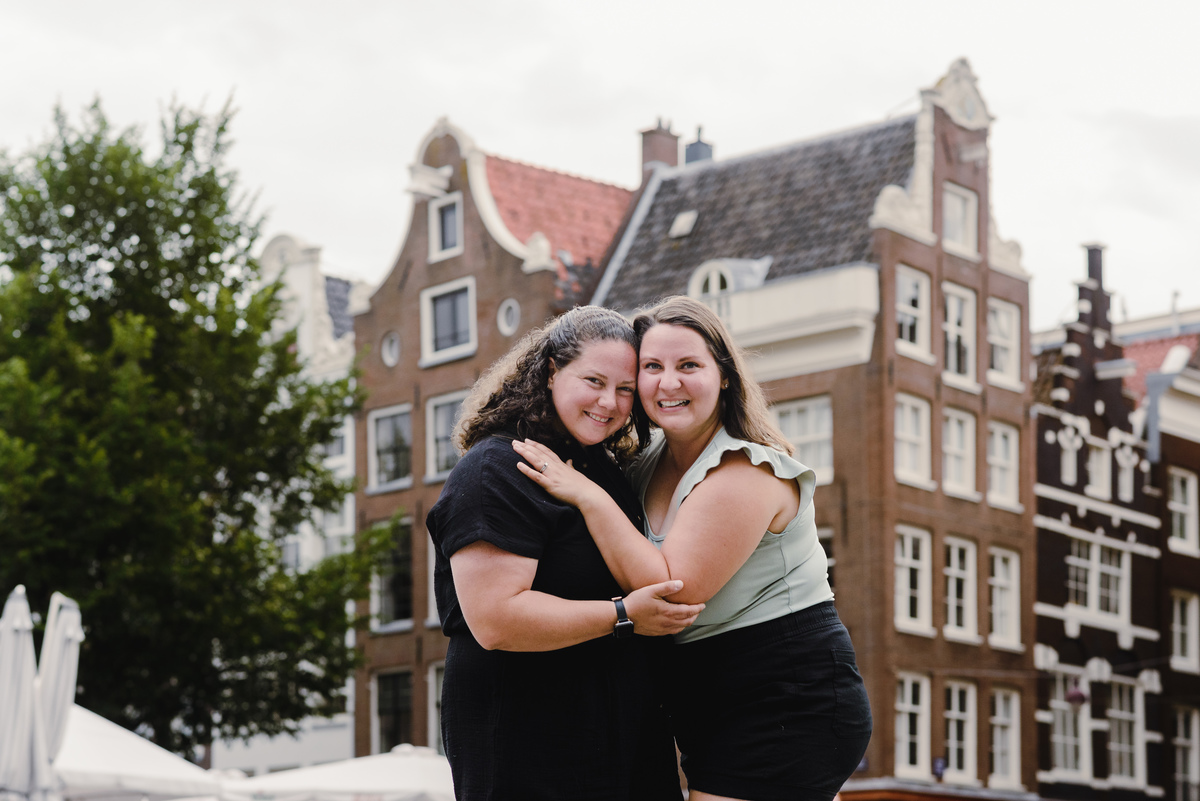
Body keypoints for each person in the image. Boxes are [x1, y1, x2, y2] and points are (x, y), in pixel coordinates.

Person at [514, 296, 872, 801]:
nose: (668, 382)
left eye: (689, 366)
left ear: (723, 375)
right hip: (709, 699)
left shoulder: (744, 470)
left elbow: (674, 589)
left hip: (785, 696)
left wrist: (587, 496)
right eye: (652, 367)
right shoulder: (645, 465)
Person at [427, 305, 704, 801]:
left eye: (624, 389)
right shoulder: (497, 469)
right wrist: (623, 615)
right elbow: (496, 619)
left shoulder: (603, 470)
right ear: (552, 369)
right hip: (530, 738)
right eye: (593, 381)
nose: (609, 403)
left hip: (622, 739)